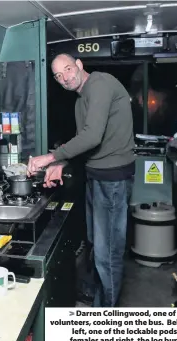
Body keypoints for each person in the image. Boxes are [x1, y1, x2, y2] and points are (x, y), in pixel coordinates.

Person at [27, 53, 135, 307]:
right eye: (58, 75)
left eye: (67, 69)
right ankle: (96, 296)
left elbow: (92, 136)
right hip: (96, 176)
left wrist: (48, 158)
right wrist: (60, 164)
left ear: (79, 65)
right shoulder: (80, 101)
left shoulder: (99, 84)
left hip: (113, 180)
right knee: (95, 243)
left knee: (107, 252)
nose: (64, 77)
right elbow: (83, 145)